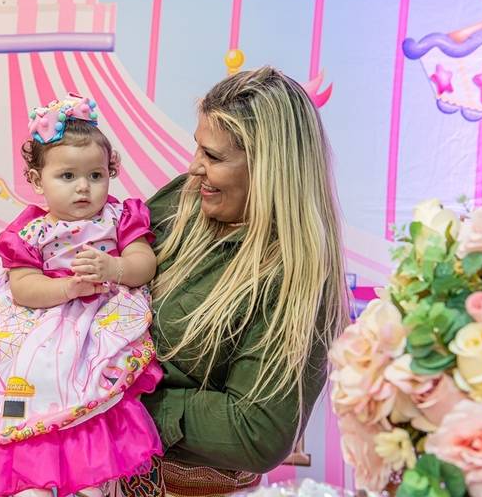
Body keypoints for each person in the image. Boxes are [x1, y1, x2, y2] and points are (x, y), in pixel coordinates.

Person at [138, 66, 348, 496]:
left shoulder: (295, 277)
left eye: (214, 157)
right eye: (198, 148)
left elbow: (256, 431)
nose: (194, 167)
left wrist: (127, 400)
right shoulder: (185, 200)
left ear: (270, 168)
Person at [0, 95, 163, 497]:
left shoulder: (119, 218)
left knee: (94, 395)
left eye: (96, 175)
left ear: (110, 172)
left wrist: (114, 268)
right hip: (42, 326)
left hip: (98, 326)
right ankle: (32, 476)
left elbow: (143, 263)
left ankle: (89, 476)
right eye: (67, 176)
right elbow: (24, 287)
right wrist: (67, 288)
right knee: (35, 389)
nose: (83, 187)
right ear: (37, 181)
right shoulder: (30, 233)